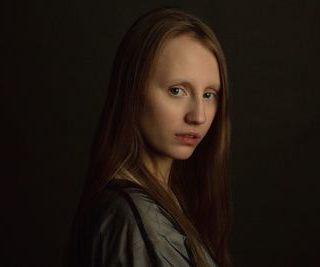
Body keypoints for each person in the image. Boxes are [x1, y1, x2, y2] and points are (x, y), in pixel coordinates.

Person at [65, 7, 232, 267]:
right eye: (177, 90)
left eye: (209, 94)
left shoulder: (159, 203)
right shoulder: (135, 221)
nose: (198, 116)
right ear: (134, 92)